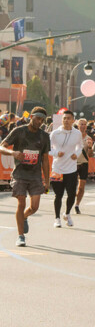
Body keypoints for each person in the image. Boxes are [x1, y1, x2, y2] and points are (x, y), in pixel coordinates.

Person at [0, 106, 50, 247]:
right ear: (31, 117)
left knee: (34, 207)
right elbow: (1, 146)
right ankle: (20, 236)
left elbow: (45, 159)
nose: (39, 122)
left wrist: (47, 181)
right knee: (21, 203)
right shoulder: (19, 131)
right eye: (37, 118)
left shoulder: (44, 136)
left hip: (35, 175)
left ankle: (25, 217)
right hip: (20, 174)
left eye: (42, 120)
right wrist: (13, 153)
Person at [49, 110, 83, 228]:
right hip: (57, 169)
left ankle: (67, 214)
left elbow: (80, 146)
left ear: (73, 120)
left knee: (72, 195)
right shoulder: (55, 133)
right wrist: (56, 153)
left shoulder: (77, 133)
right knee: (58, 195)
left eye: (68, 118)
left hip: (71, 169)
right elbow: (48, 149)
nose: (66, 120)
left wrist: (76, 154)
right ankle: (57, 218)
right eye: (64, 118)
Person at [74, 118, 93, 214]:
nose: (83, 126)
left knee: (81, 187)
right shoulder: (73, 136)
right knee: (71, 186)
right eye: (81, 124)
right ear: (78, 125)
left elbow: (90, 155)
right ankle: (72, 199)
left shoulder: (89, 138)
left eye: (84, 124)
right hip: (73, 163)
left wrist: (90, 147)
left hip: (83, 163)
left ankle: (77, 204)